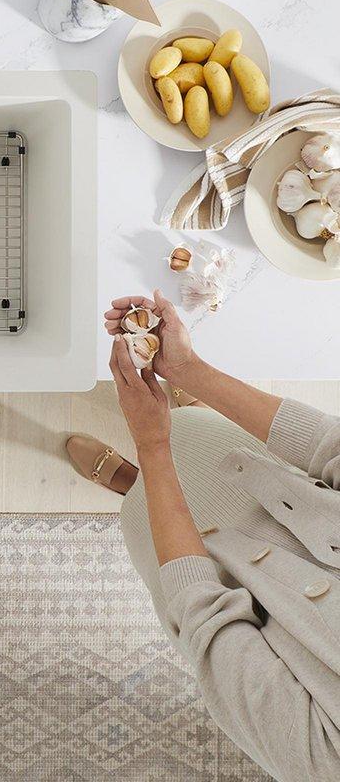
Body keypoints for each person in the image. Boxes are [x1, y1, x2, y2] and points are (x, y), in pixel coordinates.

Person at [66, 289, 340, 782]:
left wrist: (152, 445)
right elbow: (331, 449)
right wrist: (191, 369)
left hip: (208, 572)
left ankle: (136, 484)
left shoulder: (321, 762)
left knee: (149, 507)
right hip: (268, 489)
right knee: (204, 437)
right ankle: (189, 413)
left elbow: (206, 618)